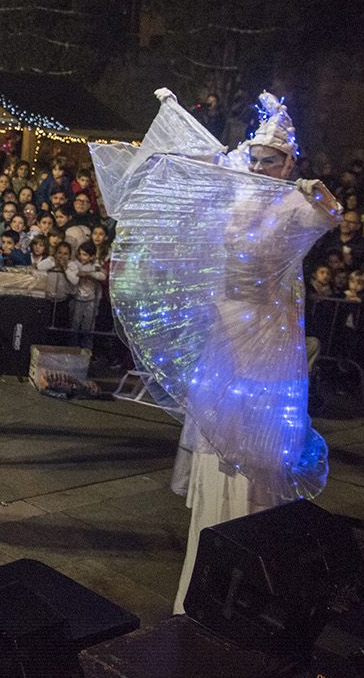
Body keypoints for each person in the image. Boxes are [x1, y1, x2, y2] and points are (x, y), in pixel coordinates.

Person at [90, 88, 339, 614]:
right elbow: (199, 162)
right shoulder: (239, 191)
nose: (262, 166)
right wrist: (176, 117)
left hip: (264, 340)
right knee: (214, 442)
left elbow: (327, 216)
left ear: (291, 161)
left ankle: (253, 575)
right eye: (257, 158)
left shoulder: (294, 201)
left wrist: (318, 196)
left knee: (257, 444)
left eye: (273, 160)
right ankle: (207, 578)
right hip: (223, 334)